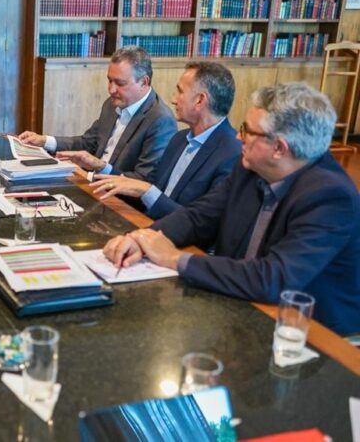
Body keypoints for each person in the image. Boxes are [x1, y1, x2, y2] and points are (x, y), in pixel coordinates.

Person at [104, 83, 360, 336]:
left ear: (279, 148)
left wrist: (174, 258)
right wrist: (142, 239)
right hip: (238, 303)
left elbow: (272, 279)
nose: (239, 137)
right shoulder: (250, 166)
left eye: (247, 131)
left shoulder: (330, 197)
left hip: (308, 334)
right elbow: (199, 216)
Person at [91, 62, 241, 219]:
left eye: (180, 91)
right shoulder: (179, 139)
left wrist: (147, 191)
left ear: (200, 100)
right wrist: (103, 169)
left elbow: (203, 222)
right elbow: (148, 195)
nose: (173, 99)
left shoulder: (232, 154)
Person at [18, 45, 176, 182]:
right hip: (90, 181)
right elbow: (88, 144)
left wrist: (100, 169)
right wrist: (45, 141)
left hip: (119, 197)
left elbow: (143, 181)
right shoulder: (111, 104)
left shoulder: (160, 120)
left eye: (120, 83)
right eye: (110, 80)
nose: (111, 89)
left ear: (144, 82)